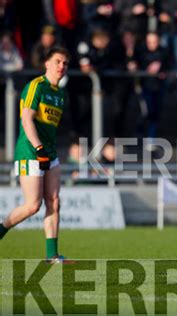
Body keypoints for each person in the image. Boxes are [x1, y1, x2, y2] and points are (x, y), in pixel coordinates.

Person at [0, 46, 71, 263]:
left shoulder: (60, 94)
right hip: (31, 151)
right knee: (33, 205)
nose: (62, 66)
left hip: (49, 152)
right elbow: (26, 119)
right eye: (58, 61)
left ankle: (53, 256)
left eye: (65, 63)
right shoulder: (36, 86)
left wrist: (47, 151)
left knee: (54, 201)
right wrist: (39, 148)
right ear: (47, 63)